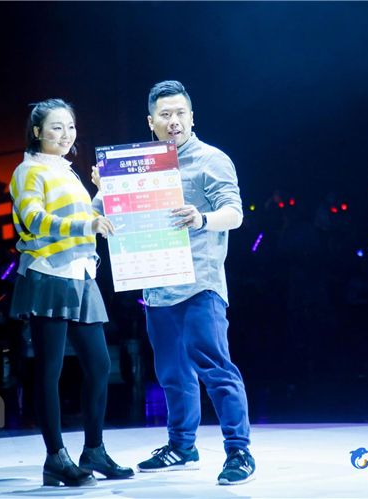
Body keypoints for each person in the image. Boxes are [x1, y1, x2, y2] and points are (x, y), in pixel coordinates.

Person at [93, 80, 255, 485]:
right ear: (151, 122)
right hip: (157, 285)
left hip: (201, 283)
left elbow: (235, 214)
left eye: (180, 113)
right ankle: (182, 446)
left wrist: (201, 218)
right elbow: (99, 215)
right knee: (171, 373)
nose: (174, 121)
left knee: (214, 367)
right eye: (165, 115)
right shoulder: (138, 165)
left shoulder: (212, 159)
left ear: (192, 117)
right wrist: (104, 188)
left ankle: (239, 451)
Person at [9, 98, 134, 487]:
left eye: (71, 127)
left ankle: (93, 449)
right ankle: (55, 458)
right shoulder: (28, 171)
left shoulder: (67, 171)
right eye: (56, 127)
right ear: (37, 132)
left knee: (99, 365)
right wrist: (87, 226)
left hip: (80, 274)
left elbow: (84, 219)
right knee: (50, 369)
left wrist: (101, 194)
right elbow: (34, 219)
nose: (66, 135)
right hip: (49, 273)